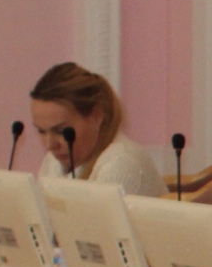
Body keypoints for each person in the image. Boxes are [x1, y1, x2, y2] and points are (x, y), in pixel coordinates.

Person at [31, 63, 163, 199]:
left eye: (61, 131)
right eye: (41, 131)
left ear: (96, 116)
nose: (49, 145)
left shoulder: (122, 163)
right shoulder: (54, 161)